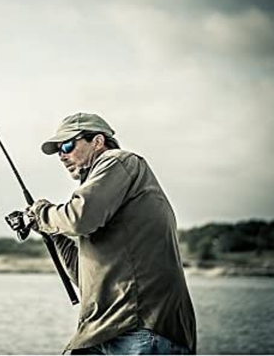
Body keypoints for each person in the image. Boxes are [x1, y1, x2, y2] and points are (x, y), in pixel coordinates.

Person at [24, 112, 196, 355]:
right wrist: (52, 233)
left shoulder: (119, 161)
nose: (62, 155)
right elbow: (86, 280)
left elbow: (79, 218)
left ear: (98, 141)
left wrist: (42, 214)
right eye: (59, 150)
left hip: (141, 329)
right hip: (105, 331)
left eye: (67, 144)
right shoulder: (103, 203)